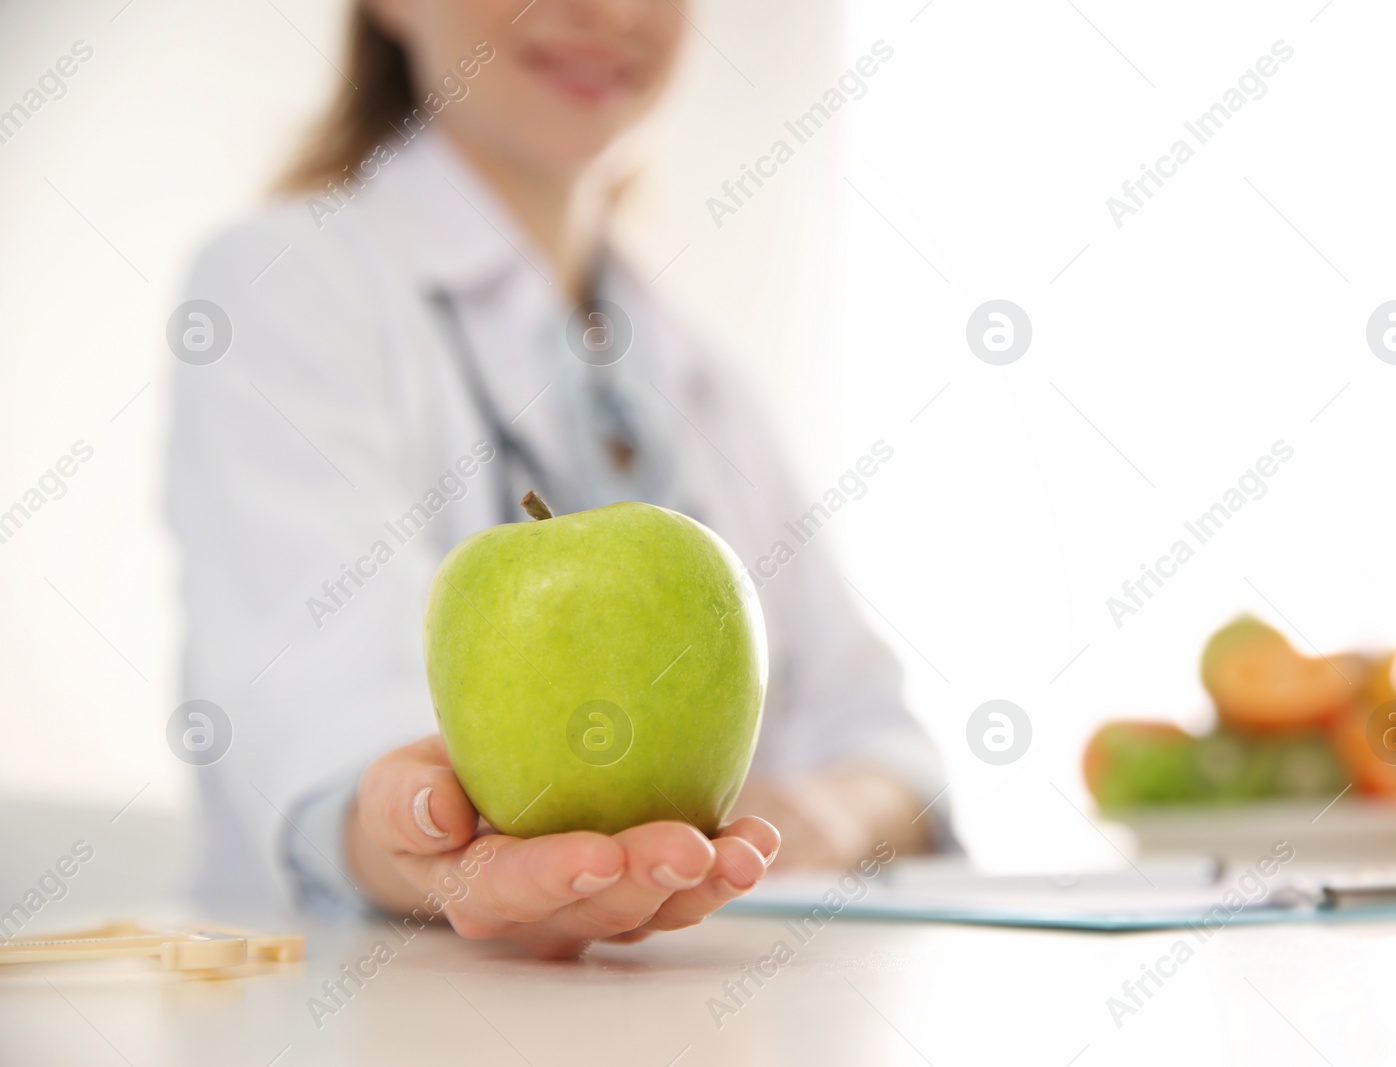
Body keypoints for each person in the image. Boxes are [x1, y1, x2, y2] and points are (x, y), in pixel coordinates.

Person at [167, 0, 947, 958]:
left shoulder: (700, 379)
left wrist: (828, 813)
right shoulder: (284, 286)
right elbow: (321, 716)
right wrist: (431, 843)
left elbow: (889, 739)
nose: (609, 11)